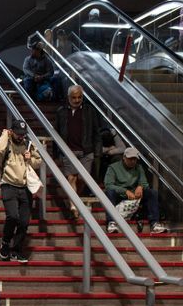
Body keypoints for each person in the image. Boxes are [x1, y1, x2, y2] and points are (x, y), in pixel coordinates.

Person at [0, 119, 41, 263]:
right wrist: (4, 135)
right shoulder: (5, 143)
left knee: (24, 222)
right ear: (11, 131)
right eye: (18, 133)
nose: (20, 136)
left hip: (25, 187)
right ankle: (5, 243)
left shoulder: (28, 144)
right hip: (8, 185)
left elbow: (38, 162)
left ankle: (16, 251)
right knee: (12, 216)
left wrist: (30, 159)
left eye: (23, 134)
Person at [55, 85, 102, 218]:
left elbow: (96, 132)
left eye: (79, 97)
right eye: (74, 97)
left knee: (82, 179)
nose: (77, 100)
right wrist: (56, 154)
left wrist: (97, 152)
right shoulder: (61, 111)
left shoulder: (90, 111)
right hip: (68, 150)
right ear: (68, 97)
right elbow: (56, 133)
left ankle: (75, 199)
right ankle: (74, 206)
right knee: (71, 178)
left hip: (86, 151)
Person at [104, 147, 167, 234]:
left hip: (135, 196)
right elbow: (108, 185)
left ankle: (154, 224)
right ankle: (111, 222)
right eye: (130, 159)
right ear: (124, 157)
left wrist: (140, 186)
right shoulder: (113, 167)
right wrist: (125, 191)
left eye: (135, 159)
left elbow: (144, 183)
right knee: (109, 192)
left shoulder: (138, 167)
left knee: (152, 193)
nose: (133, 161)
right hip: (120, 195)